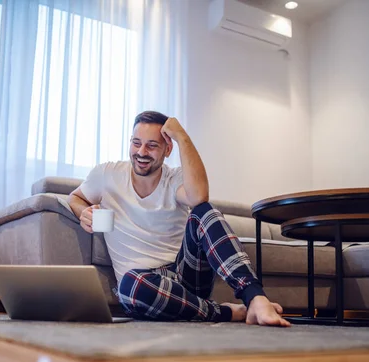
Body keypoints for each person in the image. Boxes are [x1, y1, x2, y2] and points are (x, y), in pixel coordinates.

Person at [68, 111, 290, 326]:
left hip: (185, 275)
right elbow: (75, 197)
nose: (141, 152)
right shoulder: (107, 175)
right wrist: (82, 212)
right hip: (144, 285)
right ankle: (221, 311)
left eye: (152, 145)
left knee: (204, 211)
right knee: (130, 285)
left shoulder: (175, 179)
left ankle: (255, 297)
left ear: (167, 148)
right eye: (136, 143)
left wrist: (182, 136)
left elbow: (199, 197)